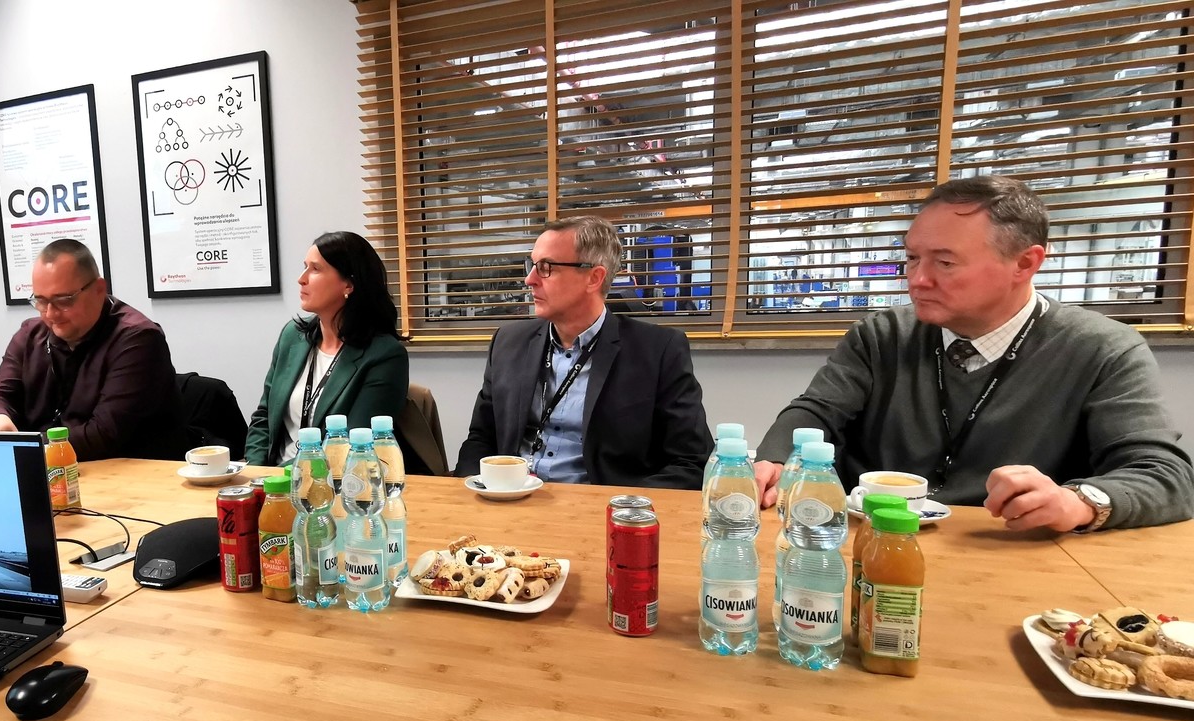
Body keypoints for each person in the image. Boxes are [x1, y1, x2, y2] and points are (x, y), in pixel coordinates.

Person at [754, 175, 1194, 532]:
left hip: (1008, 549)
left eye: (944, 263)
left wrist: (1078, 502)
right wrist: (774, 459)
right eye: (912, 258)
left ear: (1025, 263)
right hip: (875, 537)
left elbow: (1163, 476)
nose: (917, 280)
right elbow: (818, 412)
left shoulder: (1102, 349)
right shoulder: (883, 335)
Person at [455, 216, 712, 487]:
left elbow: (690, 462)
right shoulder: (509, 343)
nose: (529, 280)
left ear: (594, 277)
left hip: (600, 504)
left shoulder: (658, 351)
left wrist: (621, 506)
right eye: (532, 265)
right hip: (510, 497)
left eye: (545, 268)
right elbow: (480, 439)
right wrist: (474, 490)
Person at [0, 239, 185, 461]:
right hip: (53, 468)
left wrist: (24, 447)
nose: (51, 314)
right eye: (41, 301)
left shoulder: (138, 339)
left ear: (99, 290)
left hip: (126, 471)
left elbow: (104, 434)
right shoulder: (30, 335)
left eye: (63, 300)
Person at [245, 231, 409, 465]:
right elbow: (264, 417)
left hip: (333, 481)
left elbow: (349, 450)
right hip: (272, 478)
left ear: (349, 284)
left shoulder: (384, 355)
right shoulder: (292, 336)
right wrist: (256, 471)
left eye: (315, 269)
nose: (301, 279)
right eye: (304, 267)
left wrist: (278, 477)